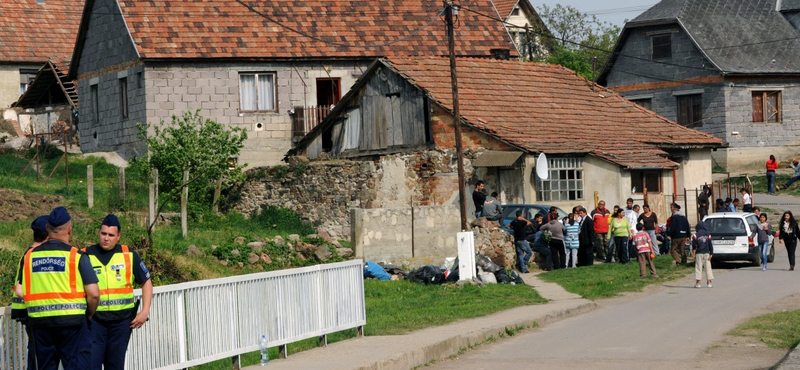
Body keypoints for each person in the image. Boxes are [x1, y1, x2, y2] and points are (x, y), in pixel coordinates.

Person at [15, 207, 100, 370]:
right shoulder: (76, 256)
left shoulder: (29, 256)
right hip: (73, 324)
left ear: (47, 228)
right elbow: (94, 294)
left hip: (40, 324)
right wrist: (88, 315)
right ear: (69, 230)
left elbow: (20, 289)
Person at [84, 214, 153, 370]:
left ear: (118, 236)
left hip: (121, 323)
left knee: (115, 366)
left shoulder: (128, 254)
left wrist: (145, 310)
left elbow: (146, 282)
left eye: (111, 235)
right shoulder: (85, 255)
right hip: (95, 322)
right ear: (98, 233)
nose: (106, 238)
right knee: (91, 364)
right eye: (103, 234)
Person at [12, 215, 49, 370]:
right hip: (32, 311)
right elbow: (20, 288)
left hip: (28, 310)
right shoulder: (34, 255)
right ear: (48, 235)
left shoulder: (28, 253)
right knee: (37, 352)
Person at [692, 220, 714, 288]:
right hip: (707, 253)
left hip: (699, 253)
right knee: (708, 267)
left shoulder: (695, 235)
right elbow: (710, 245)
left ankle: (698, 283)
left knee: (699, 267)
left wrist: (694, 255)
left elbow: (694, 246)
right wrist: (711, 253)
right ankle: (709, 282)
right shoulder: (708, 235)